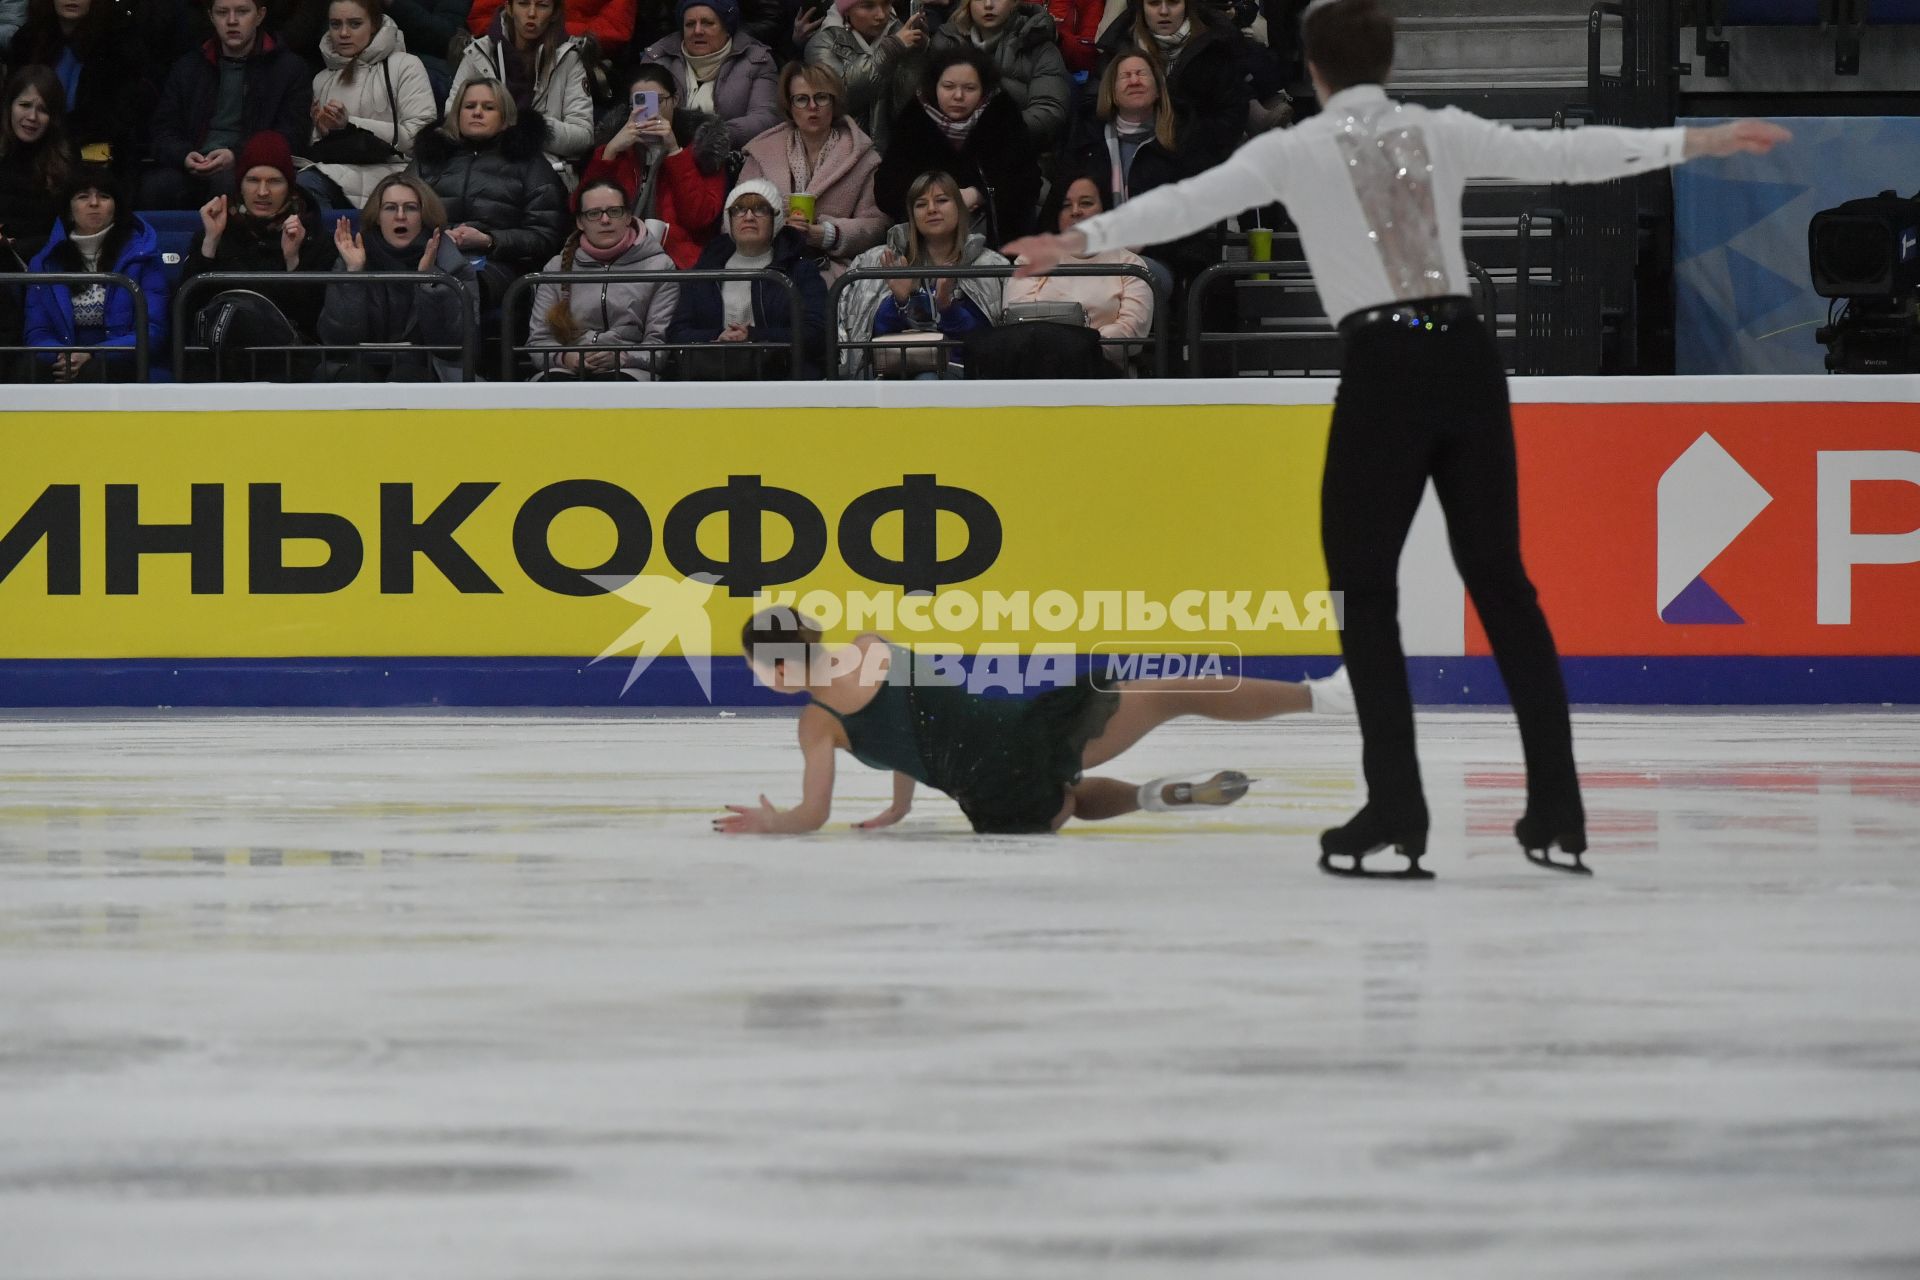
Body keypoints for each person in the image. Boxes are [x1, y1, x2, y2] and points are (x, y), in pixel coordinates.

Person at [1007, 0, 1792, 878]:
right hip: (1466, 355)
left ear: (1312, 67)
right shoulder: (1437, 128)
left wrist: (1077, 239)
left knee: (1365, 591)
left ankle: (1397, 807)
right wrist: (1697, 142)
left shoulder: (1295, 148)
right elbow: (1566, 156)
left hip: (1385, 362)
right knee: (1503, 584)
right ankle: (1558, 807)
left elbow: (1189, 201)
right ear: (1389, 61)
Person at [716, 607, 1353, 835]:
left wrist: (774, 823)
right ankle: (1324, 698)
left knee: (1064, 800)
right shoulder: (873, 645)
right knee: (1174, 690)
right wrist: (899, 804)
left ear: (776, 665)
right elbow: (922, 710)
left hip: (989, 791)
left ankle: (1150, 798)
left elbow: (816, 811)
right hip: (1023, 727)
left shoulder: (818, 721)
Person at [179, 130, 337, 375]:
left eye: (274, 181)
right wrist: (210, 243)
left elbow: (315, 323)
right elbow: (185, 312)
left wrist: (292, 261)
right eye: (253, 180)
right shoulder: (216, 229)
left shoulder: (313, 235)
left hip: (287, 366)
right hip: (218, 364)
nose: (263, 192)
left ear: (289, 186)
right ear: (239, 184)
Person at [411, 77, 569, 303]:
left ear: (505, 117)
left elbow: (546, 236)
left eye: (488, 107)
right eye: (469, 106)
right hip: (429, 254)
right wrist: (436, 240)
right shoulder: (428, 158)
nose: (477, 113)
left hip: (497, 265)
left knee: (458, 287)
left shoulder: (530, 164)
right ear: (457, 114)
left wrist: (489, 240)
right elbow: (393, 214)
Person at [143, 0, 313, 209]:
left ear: (260, 16)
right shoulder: (189, 66)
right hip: (192, 161)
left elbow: (291, 134)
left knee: (225, 184)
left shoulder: (289, 69)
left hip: (252, 165)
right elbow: (163, 129)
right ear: (211, 16)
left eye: (242, 12)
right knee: (155, 187)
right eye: (222, 12)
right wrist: (184, 155)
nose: (232, 21)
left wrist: (236, 155)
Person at [839, 167, 1003, 378]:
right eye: (921, 204)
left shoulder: (990, 264)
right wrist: (899, 301)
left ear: (961, 209)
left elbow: (984, 343)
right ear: (911, 215)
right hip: (891, 373)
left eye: (942, 200)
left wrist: (947, 306)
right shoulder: (875, 260)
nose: (932, 209)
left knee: (927, 379)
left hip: (960, 376)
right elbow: (869, 339)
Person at [317, 170, 477, 378]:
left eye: (410, 208)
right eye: (390, 208)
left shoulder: (453, 265)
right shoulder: (353, 260)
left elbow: (453, 344)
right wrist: (353, 276)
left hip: (429, 372)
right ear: (377, 217)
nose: (400, 216)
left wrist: (429, 282)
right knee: (356, 376)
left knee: (407, 375)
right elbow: (336, 341)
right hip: (362, 367)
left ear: (424, 215)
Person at [872, 46, 1039, 245]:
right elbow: (886, 190)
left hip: (996, 242)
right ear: (934, 86)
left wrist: (980, 194)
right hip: (926, 243)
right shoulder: (915, 118)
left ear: (984, 90)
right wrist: (932, 199)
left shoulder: (1002, 115)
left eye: (969, 88)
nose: (958, 96)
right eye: (948, 86)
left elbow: (1028, 182)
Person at [736, 61, 884, 284]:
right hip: (766, 267)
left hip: (833, 272)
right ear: (790, 106)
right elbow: (733, 217)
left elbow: (876, 226)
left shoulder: (863, 158)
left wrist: (826, 234)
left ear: (834, 103)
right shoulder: (762, 152)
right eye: (802, 99)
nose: (812, 107)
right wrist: (774, 228)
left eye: (821, 97)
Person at [666, 176, 825, 377]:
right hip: (712, 376)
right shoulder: (706, 268)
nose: (748, 216)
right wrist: (718, 337)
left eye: (760, 209)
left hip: (782, 378)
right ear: (729, 220)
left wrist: (753, 336)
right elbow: (678, 332)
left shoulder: (801, 270)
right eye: (739, 209)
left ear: (775, 220)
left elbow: (816, 332)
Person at [525, 175, 678, 379]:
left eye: (614, 211)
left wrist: (621, 357)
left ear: (628, 217)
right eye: (594, 213)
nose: (605, 220)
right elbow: (539, 341)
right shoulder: (555, 267)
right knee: (552, 387)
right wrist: (566, 358)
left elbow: (659, 345)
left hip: (631, 368)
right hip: (566, 367)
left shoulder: (660, 267)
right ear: (580, 222)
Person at [23, 165, 168, 381]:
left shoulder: (143, 256)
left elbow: (152, 331)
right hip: (64, 360)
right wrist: (66, 356)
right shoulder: (45, 262)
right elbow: (37, 332)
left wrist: (92, 353)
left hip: (123, 361)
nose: (94, 203)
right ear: (69, 210)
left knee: (95, 371)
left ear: (116, 208)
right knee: (27, 369)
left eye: (104, 196)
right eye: (83, 196)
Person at [580, 61, 727, 269]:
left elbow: (700, 218)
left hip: (678, 263)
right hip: (617, 258)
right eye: (639, 102)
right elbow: (584, 210)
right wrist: (610, 152)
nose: (650, 110)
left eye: (658, 101)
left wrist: (675, 152)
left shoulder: (703, 148)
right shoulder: (615, 148)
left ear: (675, 100)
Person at [1004, 167, 1151, 368]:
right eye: (1066, 205)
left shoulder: (1131, 265)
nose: (1075, 211)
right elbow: (1016, 322)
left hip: (1105, 373)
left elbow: (1130, 333)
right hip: (1039, 371)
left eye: (1086, 203)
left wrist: (1076, 346)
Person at [298, 0, 437, 212]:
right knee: (301, 185)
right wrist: (325, 131)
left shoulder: (405, 65)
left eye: (354, 24)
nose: (343, 33)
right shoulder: (321, 79)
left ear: (373, 25)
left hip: (396, 171)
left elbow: (420, 135)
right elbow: (319, 148)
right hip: (337, 171)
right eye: (335, 24)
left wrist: (350, 123)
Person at [1093, 0, 1246, 173]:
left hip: (1198, 164)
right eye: (1153, 3)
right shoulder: (1119, 46)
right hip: (1128, 160)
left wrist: (1183, 139)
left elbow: (1232, 117)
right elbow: (1091, 107)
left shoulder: (1215, 47)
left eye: (1173, 2)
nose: (1164, 11)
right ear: (1142, 7)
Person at [7, 0, 154, 178]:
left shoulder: (120, 43)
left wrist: (65, 142)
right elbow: (12, 101)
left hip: (96, 153)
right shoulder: (27, 40)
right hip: (32, 148)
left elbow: (122, 112)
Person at [446, 0, 594, 172]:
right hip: (479, 164)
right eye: (523, 4)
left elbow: (583, 137)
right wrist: (494, 124)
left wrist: (530, 128)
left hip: (543, 170)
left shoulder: (568, 58)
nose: (532, 13)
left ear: (554, 13)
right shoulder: (479, 52)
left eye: (542, 5)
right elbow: (451, 117)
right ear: (509, 8)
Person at [638, 0, 779, 149]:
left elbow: (765, 117)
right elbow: (641, 114)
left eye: (707, 23)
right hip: (663, 154)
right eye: (690, 24)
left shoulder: (757, 59)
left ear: (727, 28)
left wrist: (715, 136)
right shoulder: (657, 57)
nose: (697, 31)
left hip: (731, 158)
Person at [802, 0, 924, 150]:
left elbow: (907, 101)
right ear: (846, 11)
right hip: (842, 150)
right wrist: (889, 50)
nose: (880, 15)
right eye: (868, 6)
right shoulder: (822, 44)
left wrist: (918, 53)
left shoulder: (901, 33)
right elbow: (840, 96)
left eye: (886, 4)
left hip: (897, 148)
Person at [0, 65, 75, 265]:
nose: (32, 117)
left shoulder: (66, 167)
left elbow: (68, 237)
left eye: (43, 110)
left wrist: (13, 247)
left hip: (41, 270)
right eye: (24, 105)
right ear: (10, 107)